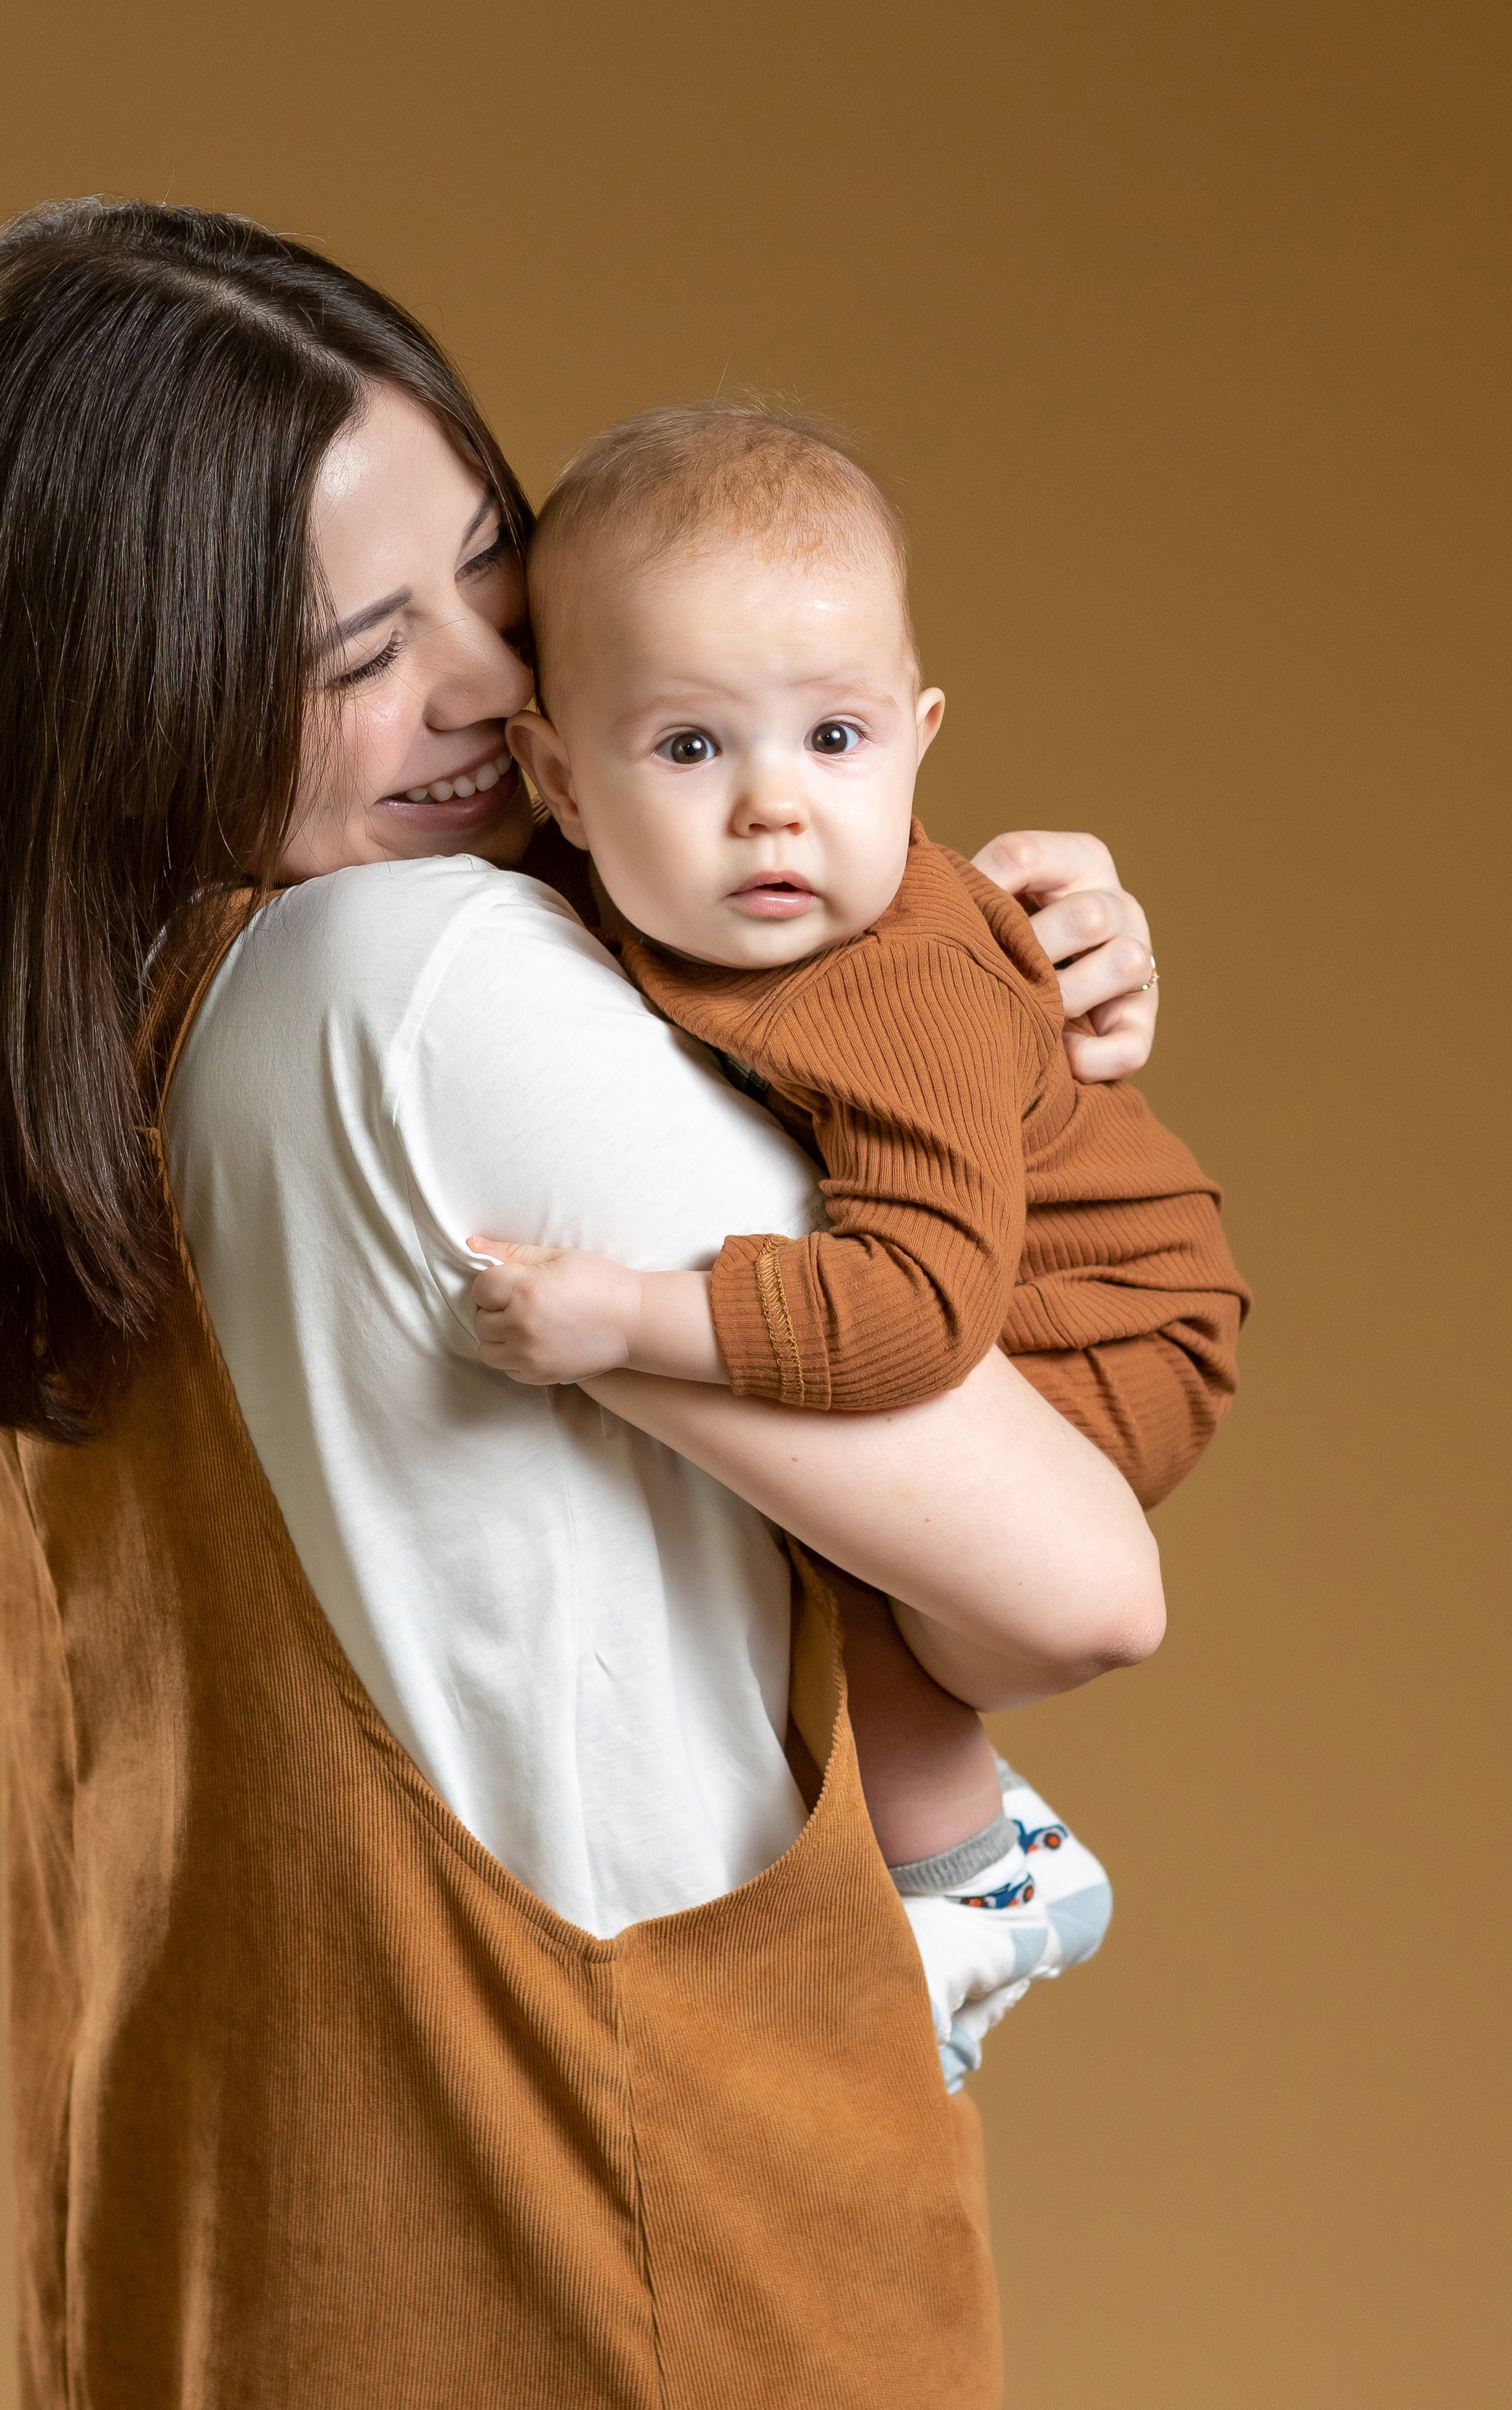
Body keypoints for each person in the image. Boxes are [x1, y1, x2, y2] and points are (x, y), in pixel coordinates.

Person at [0, 197, 1182, 2410]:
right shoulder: (414, 984)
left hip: (241, 2293)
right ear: (126, 691)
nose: (504, 683)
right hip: (627, 2281)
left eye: (495, 573)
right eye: (359, 652)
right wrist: (989, 1035)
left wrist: (964, 954)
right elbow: (1071, 1583)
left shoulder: (101, 1059)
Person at [466, 400, 1249, 2083]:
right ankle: (973, 1854)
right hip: (980, 1289)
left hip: (1093, 1326)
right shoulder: (604, 891)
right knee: (789, 1549)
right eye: (686, 749)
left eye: (833, 740)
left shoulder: (886, 979)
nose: (772, 812)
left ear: (916, 735)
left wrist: (633, 1319)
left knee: (850, 1546)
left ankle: (974, 1882)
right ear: (557, 778)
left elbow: (910, 1312)